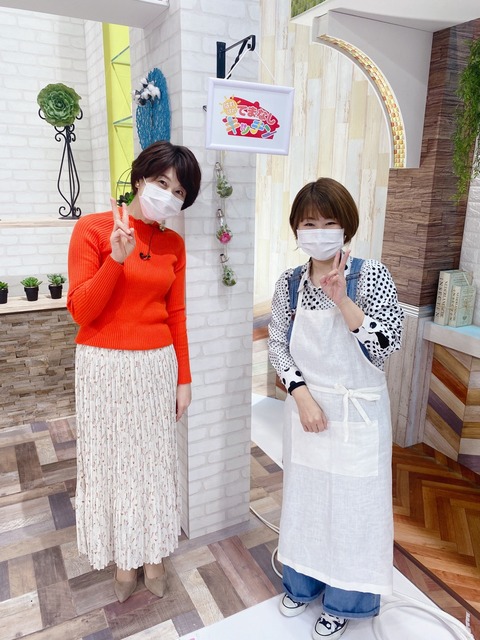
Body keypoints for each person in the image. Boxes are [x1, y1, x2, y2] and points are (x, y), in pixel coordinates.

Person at [268, 178, 404, 639]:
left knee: (354, 509)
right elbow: (278, 346)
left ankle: (346, 601)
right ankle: (302, 585)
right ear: (296, 229)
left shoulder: (371, 276)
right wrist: (301, 396)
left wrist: (343, 300)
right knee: (306, 501)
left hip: (357, 417)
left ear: (346, 227)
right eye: (309, 223)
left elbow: (386, 345)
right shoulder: (289, 284)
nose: (319, 232)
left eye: (329, 222)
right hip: (307, 413)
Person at [67, 140, 201, 603]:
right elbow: (81, 311)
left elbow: (176, 314)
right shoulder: (93, 228)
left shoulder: (174, 244)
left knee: (153, 464)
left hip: (156, 366)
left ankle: (154, 555)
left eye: (179, 192)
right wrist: (116, 259)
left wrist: (184, 378)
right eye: (162, 182)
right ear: (139, 178)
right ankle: (124, 559)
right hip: (103, 367)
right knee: (112, 462)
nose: (169, 195)